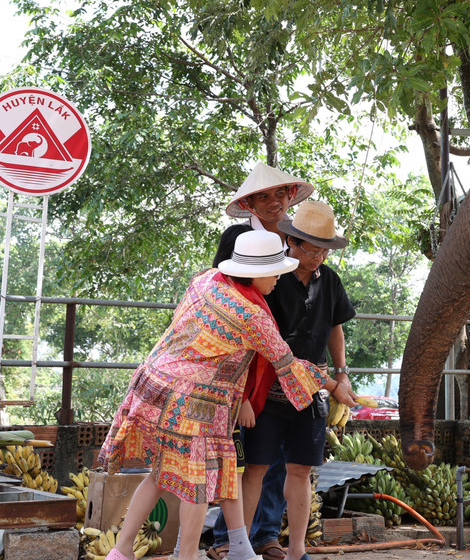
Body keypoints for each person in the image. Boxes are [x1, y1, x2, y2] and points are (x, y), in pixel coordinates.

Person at [98, 230, 345, 560]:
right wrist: (334, 385)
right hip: (193, 403)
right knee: (196, 485)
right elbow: (288, 364)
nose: (278, 279)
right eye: (275, 273)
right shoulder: (252, 316)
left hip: (153, 385)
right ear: (256, 273)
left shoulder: (208, 280)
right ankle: (186, 556)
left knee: (159, 474)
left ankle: (122, 549)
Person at [239, 200, 357, 560]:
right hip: (268, 390)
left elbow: (336, 327)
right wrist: (242, 394)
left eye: (324, 250)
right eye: (311, 249)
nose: (318, 257)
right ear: (292, 242)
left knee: (301, 469)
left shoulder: (331, 281)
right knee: (256, 467)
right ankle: (240, 547)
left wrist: (341, 372)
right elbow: (250, 338)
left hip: (312, 392)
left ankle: (297, 550)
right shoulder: (270, 278)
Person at [226, 162, 314, 242]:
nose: (274, 203)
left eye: (280, 193)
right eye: (263, 196)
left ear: (289, 194)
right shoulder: (240, 238)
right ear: (250, 202)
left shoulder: (301, 233)